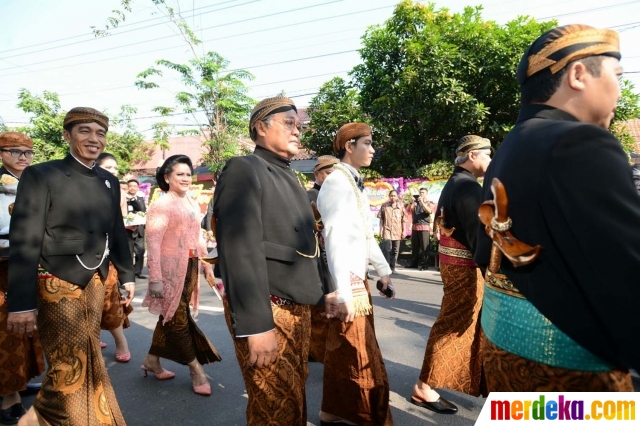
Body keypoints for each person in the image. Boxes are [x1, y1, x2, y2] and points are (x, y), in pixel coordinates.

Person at [474, 24, 640, 391]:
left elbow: (484, 254)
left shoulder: (511, 146)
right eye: (617, 76)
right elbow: (628, 275)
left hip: (506, 353)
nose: (619, 89)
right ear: (578, 74)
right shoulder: (580, 141)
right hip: (571, 371)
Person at [7, 107, 135, 425]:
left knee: (87, 360)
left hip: (96, 281)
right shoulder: (41, 175)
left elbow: (116, 230)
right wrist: (21, 304)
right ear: (67, 135)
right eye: (85, 131)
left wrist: (128, 275)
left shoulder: (108, 180)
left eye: (100, 132)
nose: (94, 139)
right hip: (55, 282)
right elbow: (25, 240)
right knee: (69, 365)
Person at [214, 95, 330, 426]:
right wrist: (257, 325)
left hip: (296, 306)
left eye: (299, 125)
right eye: (289, 124)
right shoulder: (244, 169)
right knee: (273, 404)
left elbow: (307, 244)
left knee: (291, 397)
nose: (297, 131)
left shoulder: (289, 175)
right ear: (260, 128)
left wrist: (327, 292)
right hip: (268, 309)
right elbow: (240, 250)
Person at [317, 122, 395, 426]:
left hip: (355, 278)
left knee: (344, 350)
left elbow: (363, 232)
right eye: (367, 143)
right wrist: (344, 293)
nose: (372, 149)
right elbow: (334, 239)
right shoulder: (337, 182)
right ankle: (366, 417)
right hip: (348, 281)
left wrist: (383, 269)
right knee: (360, 355)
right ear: (349, 146)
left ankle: (332, 410)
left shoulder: (351, 182)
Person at [410, 135, 491, 415]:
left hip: (457, 266)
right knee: (455, 323)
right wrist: (492, 271)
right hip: (465, 269)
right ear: (472, 156)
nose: (490, 161)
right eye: (487, 155)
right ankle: (424, 385)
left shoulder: (457, 183)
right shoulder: (468, 187)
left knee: (472, 324)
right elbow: (477, 237)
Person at [141, 155, 221, 395]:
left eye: (188, 174)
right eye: (180, 174)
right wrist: (155, 278)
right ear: (167, 178)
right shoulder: (161, 205)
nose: (186, 178)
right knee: (177, 320)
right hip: (168, 270)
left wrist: (207, 264)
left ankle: (152, 360)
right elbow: (153, 243)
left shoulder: (191, 202)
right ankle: (196, 369)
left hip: (189, 266)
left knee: (173, 315)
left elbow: (197, 237)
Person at [0, 132, 45, 425]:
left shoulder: (36, 184)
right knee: (5, 329)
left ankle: (22, 380)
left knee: (28, 328)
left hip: (27, 263)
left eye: (27, 152)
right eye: (14, 151)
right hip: (2, 266)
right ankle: (7, 396)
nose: (22, 157)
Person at [96, 153, 134, 362]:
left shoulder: (116, 190)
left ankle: (121, 342)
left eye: (114, 168)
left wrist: (126, 272)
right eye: (108, 167)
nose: (112, 172)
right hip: (80, 258)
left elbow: (117, 226)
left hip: (108, 254)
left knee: (110, 300)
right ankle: (92, 337)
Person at [306, 154, 339, 364]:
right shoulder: (310, 195)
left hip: (336, 256)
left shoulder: (338, 196)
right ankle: (317, 350)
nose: (332, 178)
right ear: (317, 174)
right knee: (320, 308)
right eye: (327, 173)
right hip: (318, 255)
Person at [378, 189, 406, 274]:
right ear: (389, 196)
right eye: (391, 195)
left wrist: (404, 231)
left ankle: (393, 267)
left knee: (395, 250)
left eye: (394, 196)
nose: (393, 197)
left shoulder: (401, 207)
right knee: (387, 249)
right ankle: (386, 268)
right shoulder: (384, 206)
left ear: (397, 197)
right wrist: (381, 229)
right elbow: (381, 219)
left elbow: (404, 220)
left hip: (397, 231)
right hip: (387, 230)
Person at [408, 188, 435, 270]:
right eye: (420, 193)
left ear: (426, 194)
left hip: (424, 227)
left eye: (423, 193)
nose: (421, 194)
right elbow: (409, 210)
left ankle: (425, 265)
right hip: (415, 227)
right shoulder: (415, 203)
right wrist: (411, 202)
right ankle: (414, 263)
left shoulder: (429, 203)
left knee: (424, 247)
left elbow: (429, 211)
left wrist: (422, 202)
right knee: (415, 247)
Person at [126, 179, 147, 279]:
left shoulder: (140, 198)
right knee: (129, 253)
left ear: (137, 188)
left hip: (139, 230)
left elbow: (142, 209)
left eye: (135, 186)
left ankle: (138, 271)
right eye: (130, 186)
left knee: (140, 251)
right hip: (128, 231)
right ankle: (129, 274)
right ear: (127, 187)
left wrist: (133, 199)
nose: (132, 188)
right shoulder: (123, 198)